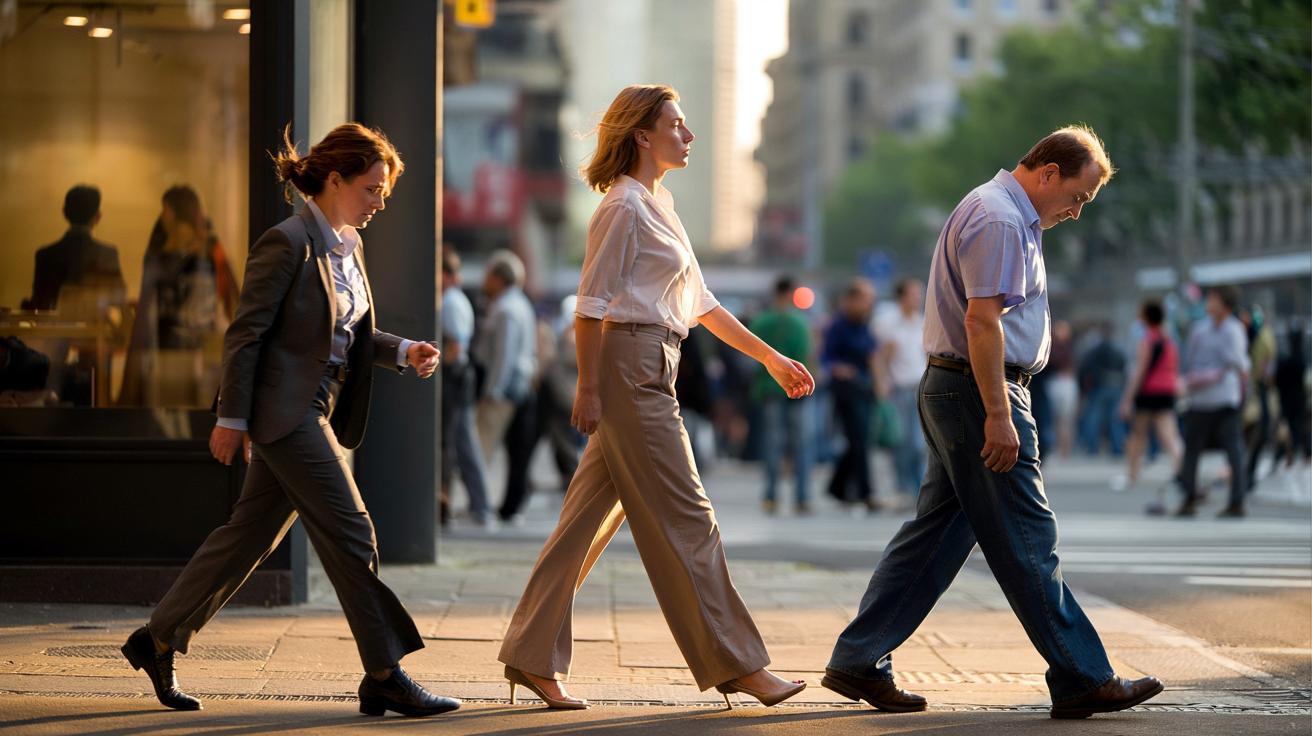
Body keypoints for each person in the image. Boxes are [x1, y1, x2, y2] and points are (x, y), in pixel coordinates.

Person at [119, 123, 459, 718]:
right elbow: (247, 334)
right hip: (286, 410)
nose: (381, 201)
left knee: (246, 537)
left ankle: (158, 639)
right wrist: (233, 417)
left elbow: (342, 336)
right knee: (353, 530)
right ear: (335, 180)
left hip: (318, 403)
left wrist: (403, 350)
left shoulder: (347, 244)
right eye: (373, 188)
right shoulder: (288, 242)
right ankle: (384, 673)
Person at [824, 126, 1162, 719]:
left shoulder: (1006, 214)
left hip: (965, 389)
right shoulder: (1001, 219)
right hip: (981, 392)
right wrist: (1000, 414)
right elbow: (983, 323)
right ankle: (1084, 675)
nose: (1076, 213)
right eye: (1077, 198)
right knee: (1029, 538)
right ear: (1048, 173)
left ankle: (859, 657)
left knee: (934, 538)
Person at [497, 84, 815, 710]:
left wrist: (772, 359)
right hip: (628, 368)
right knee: (690, 518)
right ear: (642, 135)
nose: (687, 135)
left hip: (654, 362)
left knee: (582, 525)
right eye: (676, 124)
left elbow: (703, 307)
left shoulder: (658, 205)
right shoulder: (624, 207)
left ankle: (531, 657)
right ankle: (738, 664)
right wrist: (589, 387)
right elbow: (590, 308)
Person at [119, 185, 239, 407]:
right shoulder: (205, 250)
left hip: (188, 352)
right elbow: (232, 297)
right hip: (183, 351)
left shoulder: (199, 252)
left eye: (165, 210)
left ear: (170, 210)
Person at [470, 250, 537, 517]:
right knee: (512, 450)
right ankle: (501, 504)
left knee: (481, 447)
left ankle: (481, 505)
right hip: (517, 387)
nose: (485, 281)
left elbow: (503, 355)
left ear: (499, 278)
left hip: (503, 390)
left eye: (488, 275)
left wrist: (492, 391)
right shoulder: (518, 304)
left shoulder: (506, 309)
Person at [1176, 284, 1250, 518]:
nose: (1209, 303)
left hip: (1226, 399)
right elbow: (1190, 360)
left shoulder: (1234, 329)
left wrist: (1244, 395)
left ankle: (1237, 501)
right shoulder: (1200, 329)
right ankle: (1188, 497)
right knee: (1192, 450)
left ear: (1225, 304)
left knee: (1234, 450)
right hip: (1200, 400)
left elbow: (1240, 364)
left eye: (1214, 299)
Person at [749, 275, 815, 515]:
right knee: (802, 445)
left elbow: (752, 358)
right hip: (798, 390)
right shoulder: (799, 323)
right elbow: (807, 356)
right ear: (790, 294)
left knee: (772, 445)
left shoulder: (761, 323)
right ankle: (802, 497)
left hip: (769, 390)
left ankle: (770, 496)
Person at [440, 248, 492, 528]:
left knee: (463, 444)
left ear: (446, 274)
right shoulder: (454, 299)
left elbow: (455, 347)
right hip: (460, 378)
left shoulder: (451, 302)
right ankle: (480, 506)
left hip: (456, 379)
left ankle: (481, 507)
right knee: (463, 443)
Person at [822, 278, 881, 512]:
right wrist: (839, 368)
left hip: (864, 388)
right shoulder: (837, 325)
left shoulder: (864, 324)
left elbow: (872, 353)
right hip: (846, 390)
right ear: (852, 300)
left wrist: (879, 382)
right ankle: (866, 493)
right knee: (858, 440)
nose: (868, 304)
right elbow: (827, 357)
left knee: (859, 441)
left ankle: (837, 487)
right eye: (865, 299)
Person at [27, 184, 126, 312]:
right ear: (98, 216)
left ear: (64, 212)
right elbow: (119, 301)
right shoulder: (108, 255)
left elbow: (39, 304)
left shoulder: (45, 255)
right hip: (95, 331)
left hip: (54, 331)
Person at [1116, 301, 1182, 492]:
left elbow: (1140, 370)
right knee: (1170, 435)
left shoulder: (1147, 339)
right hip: (1167, 392)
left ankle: (1132, 474)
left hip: (1148, 392)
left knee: (1138, 435)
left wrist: (1127, 399)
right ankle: (1181, 470)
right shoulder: (1170, 340)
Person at [875, 277, 927, 501]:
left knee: (919, 443)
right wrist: (882, 383)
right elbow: (881, 357)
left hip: (919, 387)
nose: (918, 298)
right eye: (914, 294)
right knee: (901, 441)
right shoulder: (888, 322)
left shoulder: (922, 322)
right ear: (902, 297)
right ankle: (904, 486)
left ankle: (918, 487)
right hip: (898, 389)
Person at [1077, 325, 1127, 456]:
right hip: (1115, 386)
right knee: (1115, 419)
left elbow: (1085, 367)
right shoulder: (1118, 350)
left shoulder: (1095, 350)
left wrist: (1085, 386)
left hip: (1099, 387)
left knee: (1094, 418)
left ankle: (1092, 447)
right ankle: (1117, 448)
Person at [1046, 320, 1079, 457]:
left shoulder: (1070, 347)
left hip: (1066, 382)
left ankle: (1065, 450)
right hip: (1055, 381)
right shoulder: (1052, 346)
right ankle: (1057, 447)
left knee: (1066, 419)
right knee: (1055, 417)